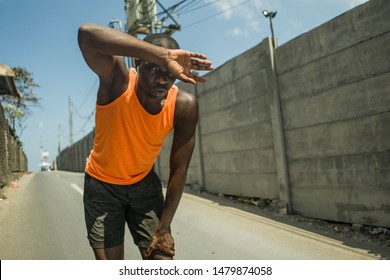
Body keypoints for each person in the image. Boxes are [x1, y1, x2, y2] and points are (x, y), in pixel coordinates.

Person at [77, 23, 213, 260]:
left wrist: (164, 227)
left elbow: (179, 171)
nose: (162, 79)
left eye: (170, 71)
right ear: (138, 63)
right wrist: (165, 56)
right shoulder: (117, 82)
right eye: (155, 68)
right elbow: (85, 34)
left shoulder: (183, 106)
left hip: (143, 184)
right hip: (102, 186)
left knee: (161, 258)